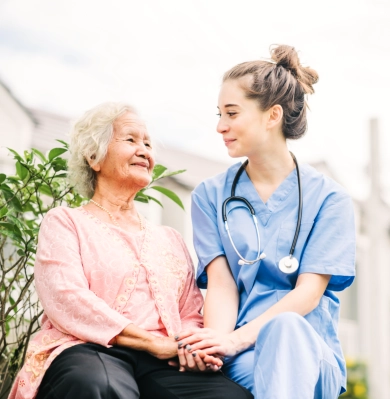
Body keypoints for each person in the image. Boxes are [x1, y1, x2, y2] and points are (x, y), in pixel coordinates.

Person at [8, 102, 253, 399]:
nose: (145, 151)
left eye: (148, 143)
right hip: (87, 348)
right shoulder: (65, 222)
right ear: (94, 157)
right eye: (131, 140)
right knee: (102, 387)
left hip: (163, 358)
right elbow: (67, 297)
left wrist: (192, 347)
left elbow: (189, 312)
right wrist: (151, 342)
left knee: (229, 397)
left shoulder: (170, 238)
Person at [175, 45, 356, 399]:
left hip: (310, 350)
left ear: (272, 116)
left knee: (287, 329)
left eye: (231, 113)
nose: (220, 126)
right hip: (244, 353)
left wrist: (233, 340)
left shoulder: (331, 200)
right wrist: (218, 343)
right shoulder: (210, 196)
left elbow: (308, 293)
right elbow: (222, 285)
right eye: (219, 114)